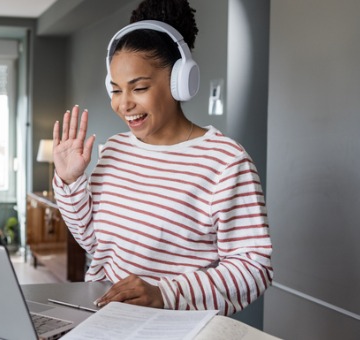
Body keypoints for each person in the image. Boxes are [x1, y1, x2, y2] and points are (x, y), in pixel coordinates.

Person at [51, 0, 272, 316]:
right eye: (115, 90)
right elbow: (94, 243)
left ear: (181, 81)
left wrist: (164, 294)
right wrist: (71, 181)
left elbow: (254, 268)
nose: (124, 104)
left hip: (179, 329)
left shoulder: (225, 162)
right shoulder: (115, 150)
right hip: (107, 320)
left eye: (138, 88)